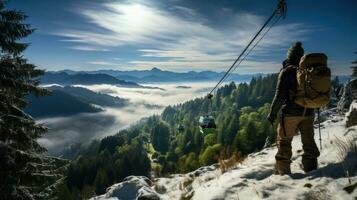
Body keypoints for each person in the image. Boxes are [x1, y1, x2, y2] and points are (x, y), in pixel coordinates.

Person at [267, 42, 320, 175]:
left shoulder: (287, 71)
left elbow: (279, 96)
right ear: (301, 57)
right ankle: (312, 171)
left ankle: (283, 175)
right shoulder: (308, 71)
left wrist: (272, 113)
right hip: (308, 111)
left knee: (284, 143)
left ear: (289, 56)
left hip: (290, 114)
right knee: (309, 143)